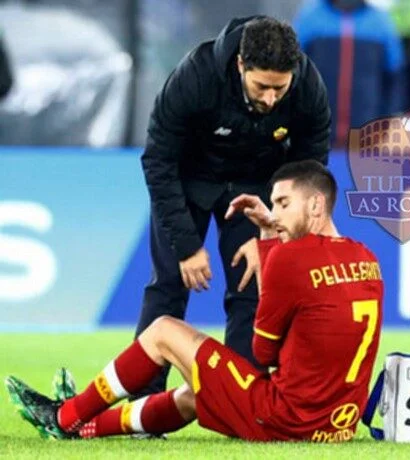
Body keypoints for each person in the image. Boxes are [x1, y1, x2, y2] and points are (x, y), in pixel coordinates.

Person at [6, 160, 384, 442]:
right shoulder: (366, 257)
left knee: (163, 331)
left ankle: (63, 417)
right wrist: (269, 235)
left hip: (285, 420)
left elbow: (264, 354)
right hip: (337, 426)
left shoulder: (292, 258)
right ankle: (86, 428)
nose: (275, 214)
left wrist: (270, 246)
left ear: (316, 205)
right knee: (192, 395)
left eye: (284, 204)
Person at [136, 15, 331, 398]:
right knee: (169, 287)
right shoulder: (196, 76)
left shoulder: (308, 87)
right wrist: (188, 246)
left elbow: (309, 172)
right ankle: (143, 402)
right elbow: (158, 160)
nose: (271, 98)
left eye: (280, 88)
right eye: (262, 86)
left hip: (258, 189)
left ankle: (243, 399)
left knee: (252, 290)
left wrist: (274, 231)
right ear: (241, 64)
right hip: (189, 181)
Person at [294, 0, 404, 147]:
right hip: (316, 135)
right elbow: (293, 71)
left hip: (365, 135)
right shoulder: (310, 18)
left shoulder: (381, 22)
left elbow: (394, 78)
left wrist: (387, 120)